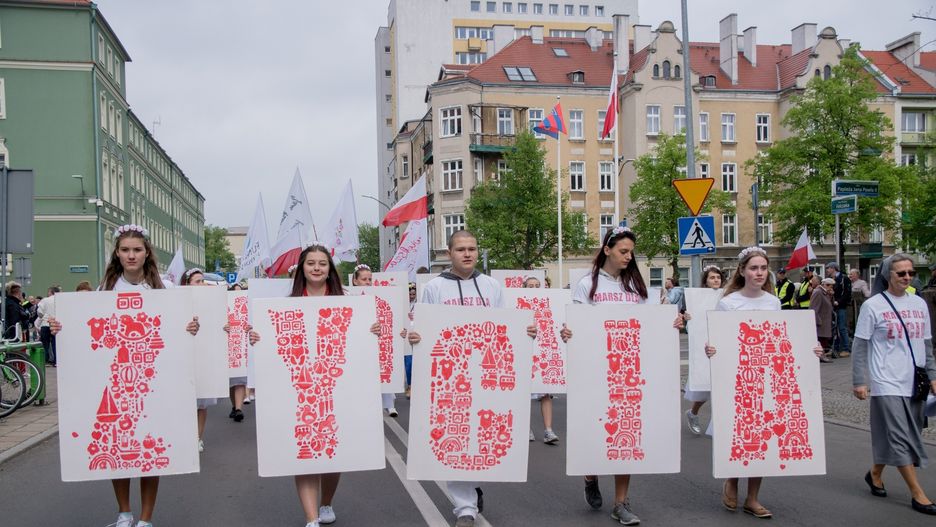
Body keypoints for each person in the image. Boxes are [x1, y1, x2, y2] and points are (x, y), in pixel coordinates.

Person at [49, 224, 200, 527]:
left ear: (147, 253)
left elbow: (180, 330)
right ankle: (124, 512)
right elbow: (87, 330)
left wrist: (191, 328)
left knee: (149, 450)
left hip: (153, 382)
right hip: (115, 382)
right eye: (125, 250)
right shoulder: (104, 292)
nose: (131, 255)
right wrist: (62, 328)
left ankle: (145, 518)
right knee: (117, 448)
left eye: (137, 250)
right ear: (117, 253)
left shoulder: (165, 291)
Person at [405, 230, 538, 527]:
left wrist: (525, 331)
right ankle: (464, 507)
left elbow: (506, 324)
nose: (467, 254)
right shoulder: (435, 288)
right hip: (452, 373)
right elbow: (423, 326)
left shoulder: (491, 286)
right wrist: (416, 335)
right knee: (456, 432)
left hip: (486, 371)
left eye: (472, 249)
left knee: (482, 431)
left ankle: (473, 485)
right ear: (449, 253)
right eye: (461, 249)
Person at [250, 243, 380, 527]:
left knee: (333, 452)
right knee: (305, 450)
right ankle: (311, 519)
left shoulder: (349, 302)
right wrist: (258, 337)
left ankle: (326, 502)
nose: (317, 268)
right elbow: (274, 342)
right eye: (311, 263)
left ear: (330, 268)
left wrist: (372, 330)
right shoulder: (286, 304)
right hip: (301, 387)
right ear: (302, 268)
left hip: (337, 386)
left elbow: (360, 342)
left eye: (322, 263)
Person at [566, 226, 682, 526]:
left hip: (629, 372)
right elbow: (577, 325)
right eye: (623, 251)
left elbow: (650, 326)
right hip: (596, 370)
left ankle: (621, 502)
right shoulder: (587, 285)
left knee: (627, 433)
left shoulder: (637, 288)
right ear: (607, 250)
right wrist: (569, 333)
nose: (629, 257)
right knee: (596, 429)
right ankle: (590, 475)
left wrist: (671, 323)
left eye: (631, 252)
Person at [704, 246, 824, 520]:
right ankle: (732, 479)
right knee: (742, 433)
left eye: (762, 268)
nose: (759, 273)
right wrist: (711, 349)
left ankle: (753, 497)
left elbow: (782, 339)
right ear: (742, 271)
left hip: (767, 375)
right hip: (740, 377)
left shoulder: (773, 302)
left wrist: (810, 349)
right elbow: (717, 340)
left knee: (763, 437)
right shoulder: (729, 303)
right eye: (753, 268)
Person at [853, 253, 936, 516]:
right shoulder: (873, 306)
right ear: (888, 275)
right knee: (900, 437)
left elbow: (926, 344)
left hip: (915, 381)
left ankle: (875, 473)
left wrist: (933, 376)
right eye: (901, 273)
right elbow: (860, 345)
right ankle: (918, 494)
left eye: (911, 273)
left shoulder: (919, 303)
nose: (907, 277)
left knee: (911, 432)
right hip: (886, 380)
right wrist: (859, 380)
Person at [351, 263, 398, 417]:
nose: (368, 282)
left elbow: (391, 318)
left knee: (382, 370)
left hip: (378, 341)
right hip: (358, 344)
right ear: (355, 281)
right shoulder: (348, 298)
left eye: (370, 279)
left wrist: (399, 331)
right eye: (364, 279)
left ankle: (389, 404)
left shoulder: (379, 298)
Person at [684, 265, 723, 435]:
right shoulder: (698, 299)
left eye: (718, 277)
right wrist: (689, 319)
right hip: (704, 345)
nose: (716, 280)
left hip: (721, 343)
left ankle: (720, 426)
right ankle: (693, 413)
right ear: (706, 281)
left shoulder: (726, 297)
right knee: (704, 389)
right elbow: (693, 324)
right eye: (712, 277)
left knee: (721, 387)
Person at [181, 268, 215, 453]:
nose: (202, 284)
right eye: (197, 281)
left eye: (203, 281)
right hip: (184, 357)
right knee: (185, 401)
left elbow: (217, 324)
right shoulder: (178, 302)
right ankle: (184, 437)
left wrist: (224, 328)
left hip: (204, 355)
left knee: (202, 402)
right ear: (187, 284)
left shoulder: (211, 302)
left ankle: (198, 438)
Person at [523, 276, 559, 445]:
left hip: (544, 353)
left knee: (545, 393)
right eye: (530, 286)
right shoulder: (518, 306)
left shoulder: (550, 306)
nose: (535, 288)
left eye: (538, 285)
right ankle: (526, 429)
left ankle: (548, 430)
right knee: (524, 394)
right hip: (526, 354)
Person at [226, 281, 248, 422]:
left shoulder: (247, 305)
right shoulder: (224, 306)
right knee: (230, 381)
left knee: (240, 380)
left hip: (242, 346)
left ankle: (239, 408)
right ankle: (234, 406)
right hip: (228, 347)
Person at [826, 263, 852, 357]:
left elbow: (847, 293)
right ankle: (835, 348)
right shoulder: (831, 279)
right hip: (833, 306)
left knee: (842, 327)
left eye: (828, 268)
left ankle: (846, 348)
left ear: (833, 268)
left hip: (841, 306)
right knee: (835, 328)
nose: (827, 270)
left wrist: (839, 301)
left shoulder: (844, 278)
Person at [812, 278, 835, 363]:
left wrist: (831, 296)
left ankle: (822, 354)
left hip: (825, 320)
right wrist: (818, 321)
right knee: (820, 338)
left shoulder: (825, 293)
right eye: (831, 286)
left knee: (823, 338)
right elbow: (814, 308)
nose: (831, 288)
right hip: (821, 320)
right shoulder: (818, 292)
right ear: (826, 285)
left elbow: (830, 305)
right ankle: (821, 355)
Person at [36, 286, 61, 366]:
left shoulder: (45, 300)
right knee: (55, 344)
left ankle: (46, 361)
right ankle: (57, 361)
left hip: (45, 323)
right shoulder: (60, 300)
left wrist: (43, 317)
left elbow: (39, 311)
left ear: (50, 292)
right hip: (56, 324)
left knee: (45, 344)